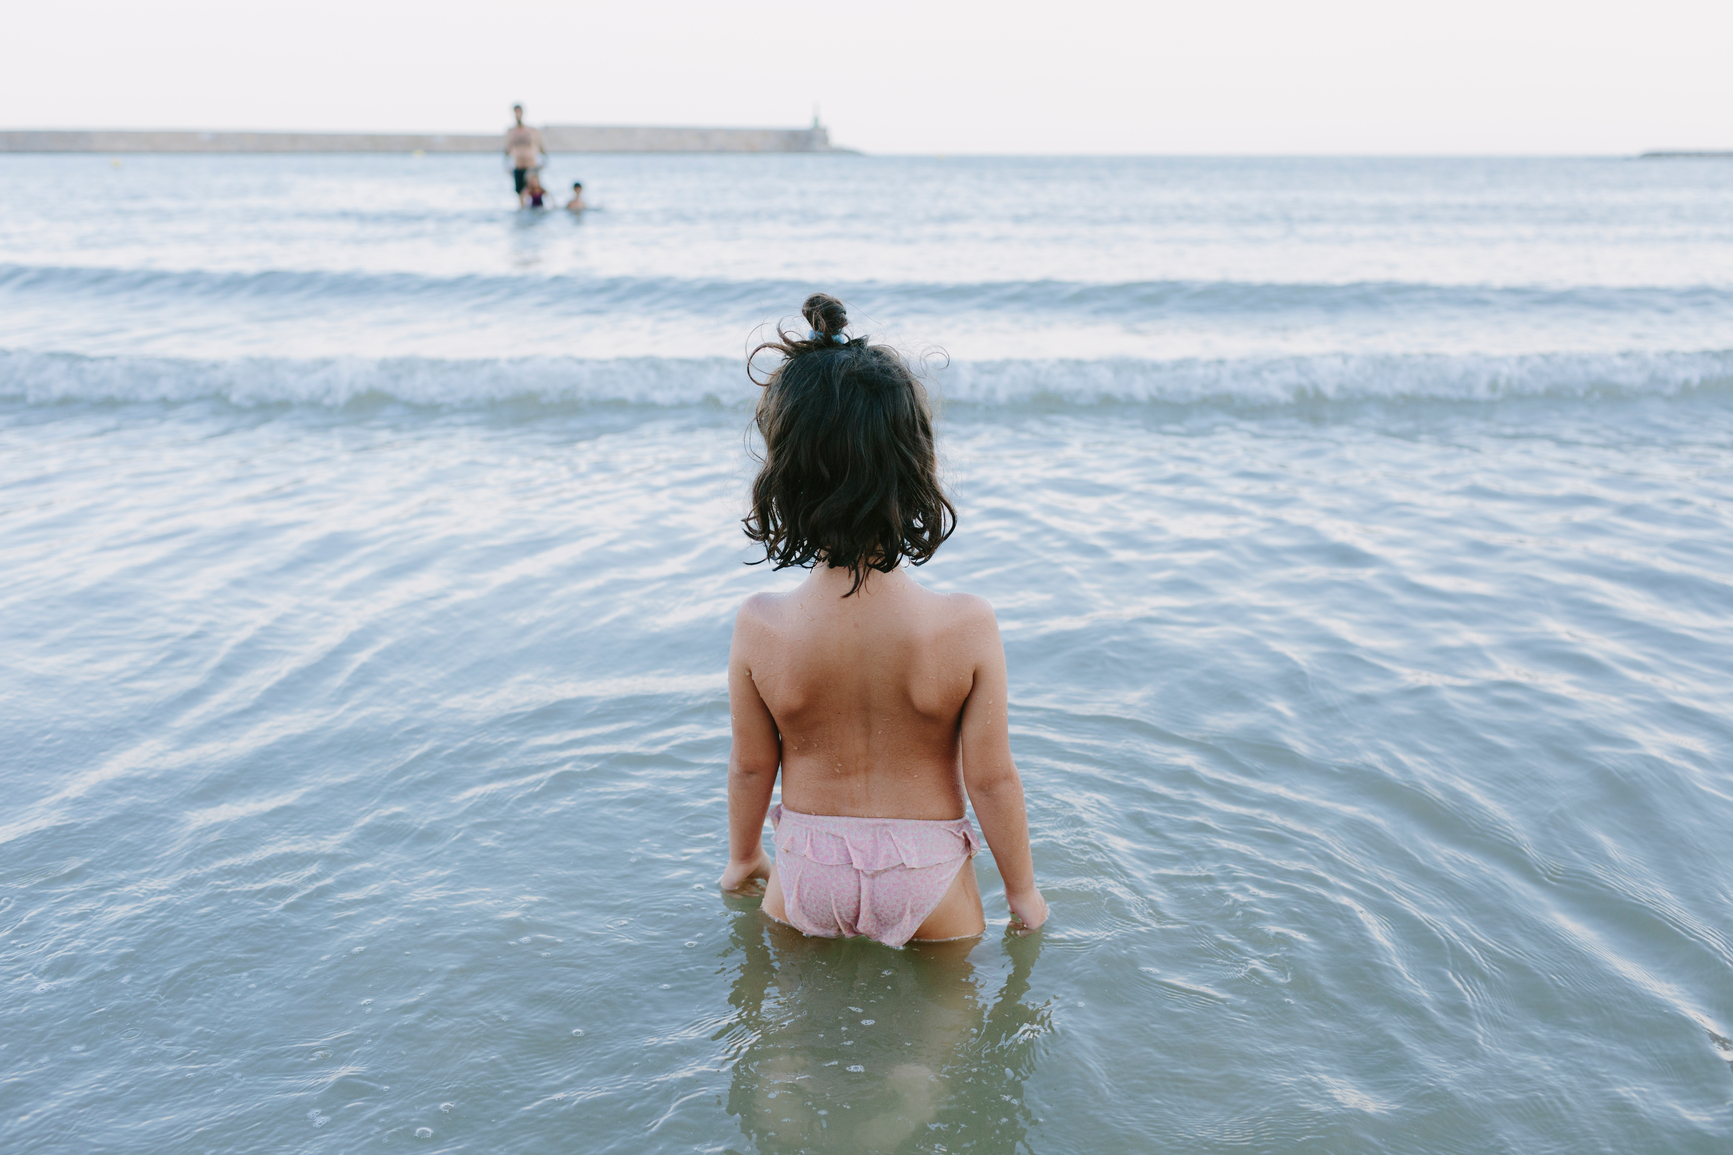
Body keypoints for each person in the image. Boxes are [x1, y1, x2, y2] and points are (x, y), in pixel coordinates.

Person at [719, 293, 1048, 947]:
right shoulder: (965, 626)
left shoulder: (761, 626)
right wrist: (1023, 894)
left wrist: (743, 858)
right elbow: (990, 777)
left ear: (784, 477)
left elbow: (751, 766)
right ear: (916, 466)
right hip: (925, 872)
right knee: (945, 1018)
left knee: (793, 1013)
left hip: (808, 866)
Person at [504, 103, 545, 202]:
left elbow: (540, 147)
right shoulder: (511, 132)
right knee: (520, 195)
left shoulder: (531, 131)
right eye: (515, 112)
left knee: (534, 191)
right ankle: (522, 211)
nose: (517, 114)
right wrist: (506, 167)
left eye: (519, 112)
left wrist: (544, 162)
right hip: (518, 167)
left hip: (531, 166)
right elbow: (507, 150)